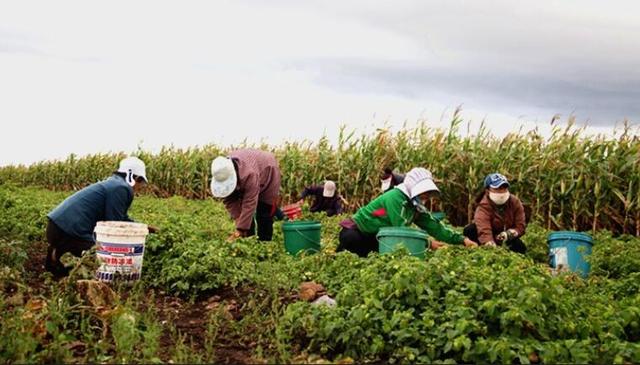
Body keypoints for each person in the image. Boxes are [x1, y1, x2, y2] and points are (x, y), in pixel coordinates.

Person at [45, 157, 158, 278]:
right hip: (67, 231)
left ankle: (56, 254)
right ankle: (58, 254)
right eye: (141, 183)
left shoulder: (115, 183)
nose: (139, 188)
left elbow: (121, 218)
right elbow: (114, 223)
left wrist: (145, 228)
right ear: (136, 178)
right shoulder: (122, 188)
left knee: (90, 255)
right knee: (103, 255)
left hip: (57, 227)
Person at [337, 167, 477, 257]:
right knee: (356, 244)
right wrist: (428, 243)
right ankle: (342, 252)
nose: (426, 197)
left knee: (382, 253)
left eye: (427, 193)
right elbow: (401, 229)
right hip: (357, 232)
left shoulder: (414, 204)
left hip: (376, 237)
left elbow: (434, 226)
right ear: (412, 187)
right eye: (424, 192)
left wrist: (462, 240)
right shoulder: (395, 197)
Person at [210, 149, 281, 242]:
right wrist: (238, 220)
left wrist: (240, 229)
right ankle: (249, 240)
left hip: (268, 170)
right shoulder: (222, 171)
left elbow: (250, 202)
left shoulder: (249, 173)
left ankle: (265, 243)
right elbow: (229, 200)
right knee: (244, 219)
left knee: (263, 212)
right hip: (251, 170)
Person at [463, 173, 527, 254]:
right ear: (487, 190)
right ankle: (477, 251)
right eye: (497, 189)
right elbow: (484, 230)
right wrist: (490, 245)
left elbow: (520, 226)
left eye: (504, 188)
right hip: (487, 235)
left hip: (505, 236)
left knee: (520, 248)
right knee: (470, 230)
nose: (501, 192)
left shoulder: (515, 202)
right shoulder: (483, 207)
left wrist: (509, 234)